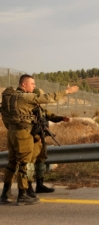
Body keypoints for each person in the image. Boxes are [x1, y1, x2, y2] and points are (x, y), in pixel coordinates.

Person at [0, 74, 79, 205]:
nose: (34, 87)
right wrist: (67, 91)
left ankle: (5, 193)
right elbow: (48, 98)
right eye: (32, 84)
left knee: (12, 163)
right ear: (24, 84)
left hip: (12, 133)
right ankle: (22, 195)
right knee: (25, 164)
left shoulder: (11, 97)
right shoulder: (25, 97)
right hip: (23, 134)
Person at [26, 88, 71, 198]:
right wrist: (36, 137)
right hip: (32, 139)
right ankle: (28, 187)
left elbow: (50, 115)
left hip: (41, 138)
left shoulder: (39, 109)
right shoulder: (28, 109)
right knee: (30, 162)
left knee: (41, 159)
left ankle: (39, 185)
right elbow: (26, 126)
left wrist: (61, 118)